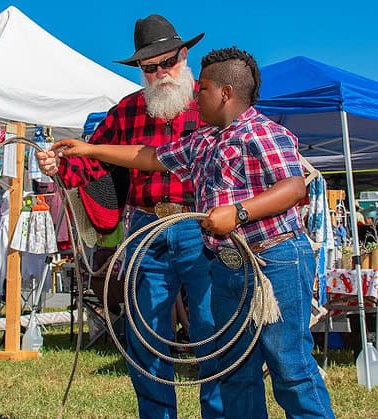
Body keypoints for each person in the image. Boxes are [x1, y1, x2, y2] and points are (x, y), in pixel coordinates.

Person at [48, 46, 336, 418]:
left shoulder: (264, 132)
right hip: (228, 265)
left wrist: (238, 212)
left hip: (275, 259)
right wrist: (86, 148)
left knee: (289, 364)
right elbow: (147, 157)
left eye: (204, 89)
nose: (196, 95)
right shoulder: (204, 141)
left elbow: (294, 188)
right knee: (235, 367)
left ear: (226, 93)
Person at [36, 14, 223, 419]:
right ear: (140, 70)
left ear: (184, 55)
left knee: (213, 328)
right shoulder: (127, 111)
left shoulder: (207, 105)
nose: (160, 74)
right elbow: (92, 164)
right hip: (145, 230)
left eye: (167, 63)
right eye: (149, 68)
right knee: (145, 333)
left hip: (202, 226)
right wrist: (59, 166)